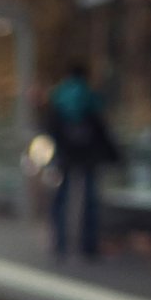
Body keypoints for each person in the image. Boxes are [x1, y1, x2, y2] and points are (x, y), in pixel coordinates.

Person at [42, 62, 121, 259]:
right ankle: (88, 245)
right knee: (90, 199)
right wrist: (113, 154)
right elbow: (101, 129)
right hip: (88, 156)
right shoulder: (89, 96)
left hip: (65, 155)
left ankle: (60, 243)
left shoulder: (58, 96)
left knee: (61, 197)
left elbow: (50, 127)